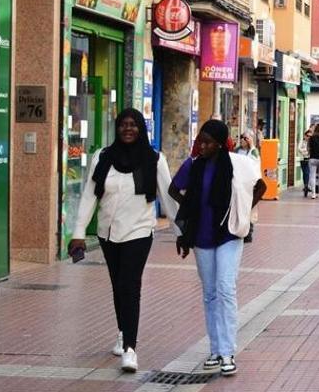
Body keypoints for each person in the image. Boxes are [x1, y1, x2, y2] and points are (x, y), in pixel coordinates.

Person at [71, 109, 178, 374]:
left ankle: (130, 349)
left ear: (141, 129)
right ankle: (122, 331)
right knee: (118, 286)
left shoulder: (154, 159)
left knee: (130, 285)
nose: (128, 129)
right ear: (117, 128)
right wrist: (78, 232)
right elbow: (89, 195)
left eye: (133, 125)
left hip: (139, 232)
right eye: (123, 125)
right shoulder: (103, 157)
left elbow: (168, 197)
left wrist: (181, 232)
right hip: (108, 233)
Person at [169, 119, 265, 377]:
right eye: (200, 141)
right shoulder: (193, 165)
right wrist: (190, 207)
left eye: (208, 142)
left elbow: (261, 186)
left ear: (221, 144)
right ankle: (214, 349)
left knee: (225, 288)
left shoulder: (238, 164)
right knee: (210, 293)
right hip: (201, 235)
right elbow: (173, 189)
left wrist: (244, 211)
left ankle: (227, 352)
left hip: (229, 233)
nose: (202, 146)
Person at [236, 130, 262, 244]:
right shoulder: (237, 151)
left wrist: (251, 146)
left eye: (245, 138)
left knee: (250, 208)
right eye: (242, 137)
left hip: (249, 185)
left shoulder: (253, 152)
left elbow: (255, 164)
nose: (243, 140)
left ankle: (249, 231)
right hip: (238, 183)